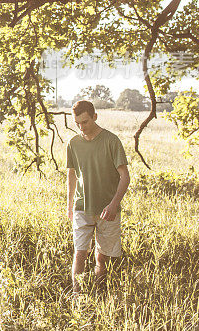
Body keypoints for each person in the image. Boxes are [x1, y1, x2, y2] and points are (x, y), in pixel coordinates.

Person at [66, 100, 130, 295]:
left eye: (85, 122)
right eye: (77, 123)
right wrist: (69, 205)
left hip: (107, 209)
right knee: (80, 254)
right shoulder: (73, 143)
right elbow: (71, 175)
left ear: (95, 117)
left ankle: (99, 293)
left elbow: (125, 177)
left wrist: (113, 204)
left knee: (102, 258)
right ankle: (77, 296)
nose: (81, 127)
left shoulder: (111, 141)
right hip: (82, 207)